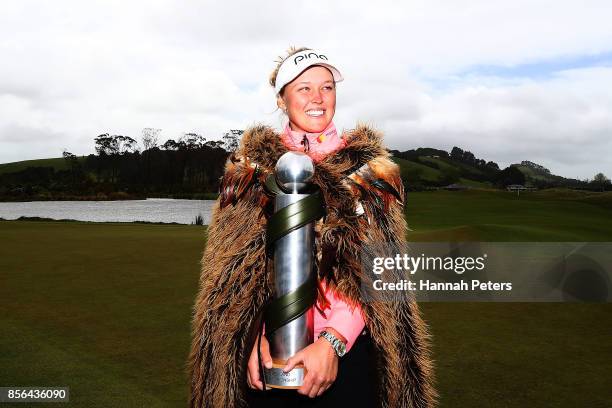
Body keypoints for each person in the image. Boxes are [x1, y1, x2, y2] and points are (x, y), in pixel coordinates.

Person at [188, 47, 436, 408]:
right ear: (281, 99)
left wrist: (333, 340)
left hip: (348, 356)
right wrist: (253, 336)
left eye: (327, 87)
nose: (318, 98)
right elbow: (236, 277)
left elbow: (378, 270)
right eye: (304, 88)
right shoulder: (251, 170)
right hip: (264, 357)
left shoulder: (370, 171)